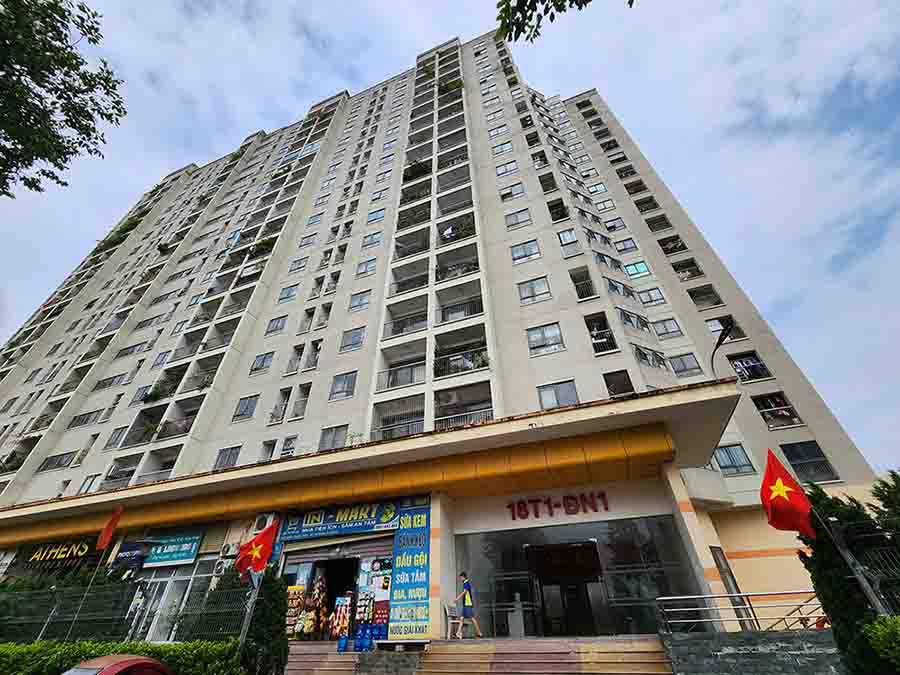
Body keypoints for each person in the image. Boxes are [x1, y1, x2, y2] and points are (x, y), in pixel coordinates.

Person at [454, 571, 483, 639]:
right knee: (462, 618)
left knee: (472, 618)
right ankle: (458, 633)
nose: (460, 579)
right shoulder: (465, 583)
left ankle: (479, 632)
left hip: (468, 604)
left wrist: (457, 599)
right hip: (465, 604)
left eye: (461, 577)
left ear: (463, 577)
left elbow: (464, 592)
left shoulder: (466, 583)